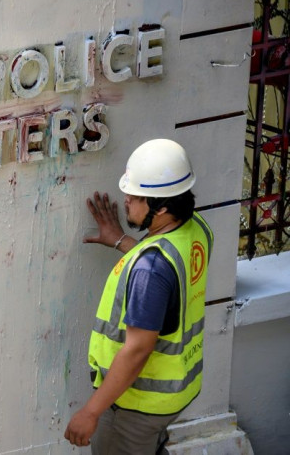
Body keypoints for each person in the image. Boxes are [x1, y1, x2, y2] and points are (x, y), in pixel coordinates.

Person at [64, 139, 213, 454]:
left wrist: (91, 411)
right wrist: (122, 241)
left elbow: (137, 349)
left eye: (135, 196)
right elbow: (167, 278)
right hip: (175, 392)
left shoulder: (152, 270)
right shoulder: (196, 229)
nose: (126, 199)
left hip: (136, 406)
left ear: (161, 207)